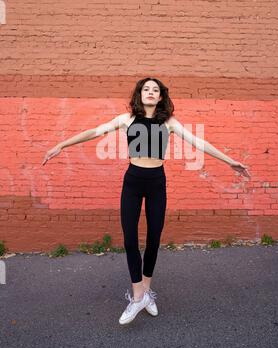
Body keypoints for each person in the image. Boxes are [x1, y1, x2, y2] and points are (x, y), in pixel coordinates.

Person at [42, 78, 251, 325]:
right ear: (139, 95)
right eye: (146, 89)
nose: (150, 93)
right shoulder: (126, 120)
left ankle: (145, 293)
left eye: (155, 90)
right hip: (133, 181)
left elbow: (199, 143)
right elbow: (94, 131)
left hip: (156, 182)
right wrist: (61, 145)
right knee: (130, 239)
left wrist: (229, 161)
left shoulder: (169, 123)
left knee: (154, 239)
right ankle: (138, 295)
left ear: (161, 97)